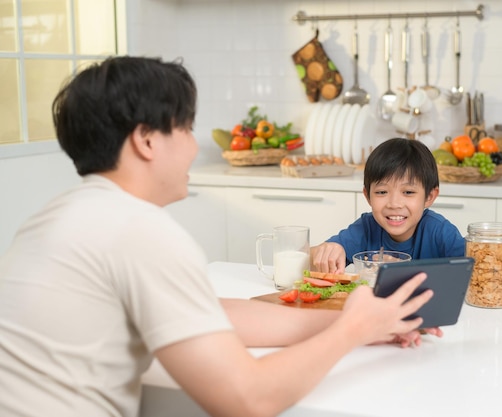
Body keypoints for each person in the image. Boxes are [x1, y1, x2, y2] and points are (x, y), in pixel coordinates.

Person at [0, 56, 442, 417]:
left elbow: (214, 315)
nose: (194, 146)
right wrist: (351, 330)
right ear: (146, 141)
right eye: (186, 128)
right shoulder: (138, 232)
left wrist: (368, 324)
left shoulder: (59, 217)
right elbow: (247, 399)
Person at [310, 137, 466, 273]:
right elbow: (309, 259)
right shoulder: (366, 228)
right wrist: (326, 252)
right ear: (368, 196)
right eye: (382, 192)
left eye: (408, 192)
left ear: (429, 197)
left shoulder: (441, 232)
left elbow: (477, 273)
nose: (394, 204)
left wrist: (406, 271)